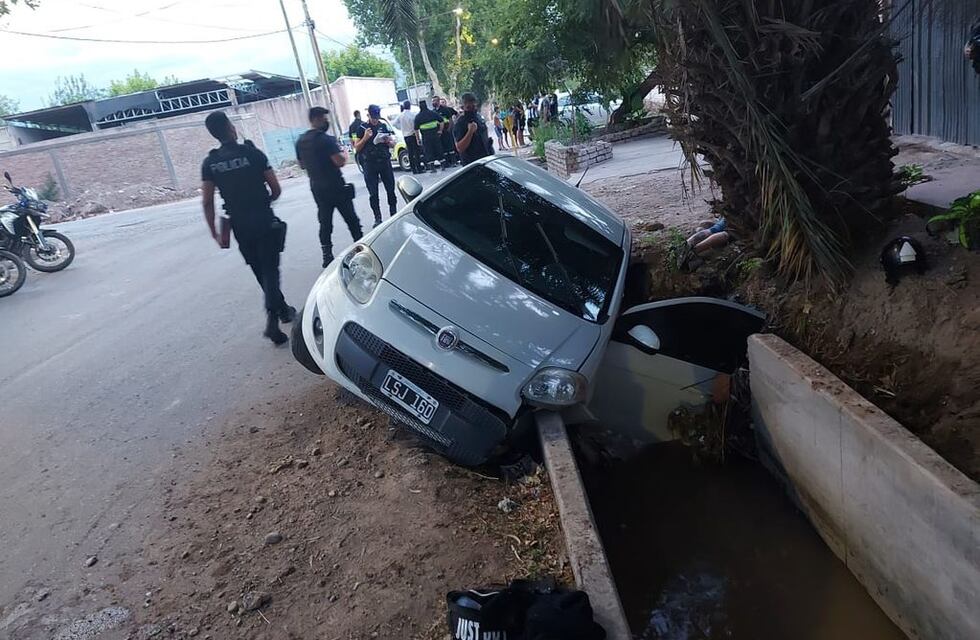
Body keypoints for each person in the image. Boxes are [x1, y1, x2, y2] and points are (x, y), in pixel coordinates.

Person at [200, 111, 293, 345]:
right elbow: (276, 189)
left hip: (239, 225)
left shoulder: (210, 163)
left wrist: (213, 230)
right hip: (263, 219)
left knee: (259, 270)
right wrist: (266, 200)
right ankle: (273, 319)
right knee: (271, 270)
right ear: (231, 128)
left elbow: (207, 200)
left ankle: (282, 310)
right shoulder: (253, 154)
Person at [295, 106, 363, 267]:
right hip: (336, 187)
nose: (327, 122)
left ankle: (327, 255)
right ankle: (361, 249)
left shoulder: (300, 141)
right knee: (352, 220)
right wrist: (345, 154)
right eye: (325, 119)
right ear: (317, 119)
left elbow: (302, 165)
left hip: (318, 188)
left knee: (325, 223)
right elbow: (339, 161)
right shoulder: (326, 140)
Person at [354, 104, 398, 227]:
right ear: (368, 115)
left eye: (377, 117)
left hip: (384, 161)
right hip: (370, 164)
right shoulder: (362, 128)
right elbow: (357, 148)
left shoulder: (382, 126)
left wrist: (389, 141)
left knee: (391, 189)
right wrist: (365, 138)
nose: (375, 120)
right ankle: (377, 217)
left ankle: (393, 213)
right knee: (373, 193)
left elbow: (392, 143)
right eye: (373, 117)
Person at [453, 92, 493, 166]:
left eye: (474, 105)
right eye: (468, 106)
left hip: (486, 160)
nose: (472, 108)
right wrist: (470, 132)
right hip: (472, 164)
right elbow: (460, 148)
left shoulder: (479, 118)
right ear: (463, 107)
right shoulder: (460, 123)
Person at [395, 100, 423, 174]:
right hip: (412, 135)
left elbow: (394, 123)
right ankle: (419, 168)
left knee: (410, 153)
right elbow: (416, 127)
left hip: (406, 136)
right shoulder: (412, 115)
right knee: (416, 153)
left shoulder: (400, 115)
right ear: (409, 106)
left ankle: (413, 169)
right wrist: (418, 138)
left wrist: (401, 128)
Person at [414, 100, 443, 172]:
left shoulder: (418, 117)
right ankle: (443, 165)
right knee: (438, 149)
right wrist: (440, 130)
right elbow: (441, 121)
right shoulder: (433, 113)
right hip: (435, 135)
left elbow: (416, 129)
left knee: (428, 151)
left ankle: (433, 168)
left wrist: (418, 139)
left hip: (426, 137)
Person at [433, 96, 458, 169]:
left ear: (438, 101)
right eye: (432, 101)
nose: (433, 102)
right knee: (443, 147)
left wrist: (450, 128)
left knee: (450, 146)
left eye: (434, 101)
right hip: (439, 132)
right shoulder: (433, 111)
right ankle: (447, 163)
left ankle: (454, 161)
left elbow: (450, 119)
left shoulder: (445, 110)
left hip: (447, 130)